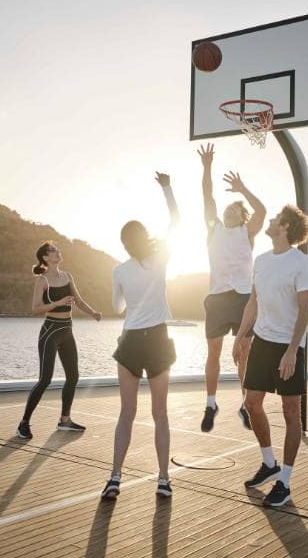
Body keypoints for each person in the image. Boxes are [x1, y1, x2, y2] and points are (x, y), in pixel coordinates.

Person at [101, 172, 179, 500]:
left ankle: (115, 478)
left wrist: (129, 298)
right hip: (158, 340)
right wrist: (166, 187)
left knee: (126, 414)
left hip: (130, 340)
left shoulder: (119, 270)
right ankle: (163, 479)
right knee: (159, 414)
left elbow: (117, 307)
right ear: (145, 236)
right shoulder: (160, 258)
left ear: (123, 243)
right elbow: (177, 221)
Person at [232, 205, 308, 508]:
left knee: (291, 411)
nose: (269, 220)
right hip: (263, 342)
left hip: (289, 345)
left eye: (274, 218)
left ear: (286, 226)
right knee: (252, 404)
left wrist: (293, 350)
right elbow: (252, 303)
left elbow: (305, 310)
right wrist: (241, 337)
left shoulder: (301, 263)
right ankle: (269, 464)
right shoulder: (262, 261)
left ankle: (285, 482)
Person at [197, 143, 265, 432]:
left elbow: (261, 210)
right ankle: (211, 404)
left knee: (244, 352)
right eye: (226, 210)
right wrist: (208, 166)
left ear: (241, 216)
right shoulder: (214, 229)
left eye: (233, 210)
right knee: (214, 351)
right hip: (217, 298)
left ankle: (245, 405)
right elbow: (207, 195)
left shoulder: (246, 233)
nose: (227, 212)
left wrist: (242, 189)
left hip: (242, 299)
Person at [16, 241, 102, 440]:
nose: (58, 252)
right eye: (53, 251)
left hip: (67, 330)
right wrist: (58, 303)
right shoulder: (42, 280)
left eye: (57, 250)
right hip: (50, 331)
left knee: (73, 376)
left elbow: (78, 300)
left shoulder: (67, 276)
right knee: (45, 379)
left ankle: (64, 420)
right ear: (45, 257)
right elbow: (35, 309)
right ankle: (23, 423)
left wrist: (93, 313)